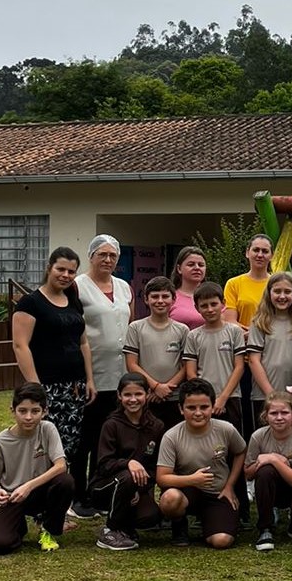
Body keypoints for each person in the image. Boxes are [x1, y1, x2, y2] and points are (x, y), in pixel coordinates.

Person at [11, 246, 94, 510]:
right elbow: (20, 346)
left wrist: (89, 379)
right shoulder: (30, 303)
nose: (66, 275)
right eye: (61, 269)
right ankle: (37, 503)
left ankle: (62, 503)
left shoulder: (73, 301)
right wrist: (36, 389)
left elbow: (83, 343)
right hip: (47, 388)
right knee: (43, 447)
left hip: (75, 389)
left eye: (71, 271)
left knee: (68, 447)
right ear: (49, 268)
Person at [74, 234, 134, 519]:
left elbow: (127, 324)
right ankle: (78, 494)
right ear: (91, 256)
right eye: (102, 255)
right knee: (84, 437)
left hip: (119, 374)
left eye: (113, 255)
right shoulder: (77, 287)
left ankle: (100, 490)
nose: (108, 260)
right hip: (91, 374)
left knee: (106, 438)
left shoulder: (123, 287)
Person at [0, 382, 75, 555]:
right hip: (13, 497)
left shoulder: (47, 429)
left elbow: (61, 466)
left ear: (44, 411)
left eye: (35, 411)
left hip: (40, 493)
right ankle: (16, 528)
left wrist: (28, 486)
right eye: (22, 411)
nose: (28, 417)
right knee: (0, 545)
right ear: (12, 410)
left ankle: (48, 530)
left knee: (65, 482)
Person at [156, 379, 247, 549]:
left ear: (213, 407)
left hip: (217, 493)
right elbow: (162, 478)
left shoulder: (226, 429)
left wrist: (230, 485)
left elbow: (241, 451)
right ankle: (179, 524)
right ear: (181, 409)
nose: (198, 413)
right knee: (169, 499)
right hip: (187, 492)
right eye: (191, 408)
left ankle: (211, 523)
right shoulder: (171, 436)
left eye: (204, 407)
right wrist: (192, 480)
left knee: (222, 541)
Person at [87, 373, 165, 551]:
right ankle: (110, 530)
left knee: (150, 516)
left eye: (138, 394)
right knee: (127, 477)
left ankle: (126, 528)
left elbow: (155, 468)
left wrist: (139, 489)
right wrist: (128, 463)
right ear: (119, 396)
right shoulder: (111, 425)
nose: (133, 400)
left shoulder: (156, 426)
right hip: (105, 486)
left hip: (136, 487)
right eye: (127, 395)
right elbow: (104, 464)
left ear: (147, 394)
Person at [248, 392, 292, 552]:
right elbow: (248, 473)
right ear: (266, 416)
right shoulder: (258, 437)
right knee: (264, 472)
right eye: (274, 413)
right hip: (271, 486)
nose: (279, 417)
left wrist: (274, 459)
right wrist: (269, 462)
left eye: (284, 412)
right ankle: (265, 528)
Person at [181, 283, 247, 434]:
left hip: (231, 397)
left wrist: (222, 398)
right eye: (204, 306)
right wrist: (205, 400)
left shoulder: (234, 332)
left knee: (233, 443)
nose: (210, 309)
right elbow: (191, 373)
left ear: (223, 304)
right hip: (203, 401)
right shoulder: (193, 336)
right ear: (197, 308)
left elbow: (239, 367)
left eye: (214, 304)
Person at [125, 276, 188, 430]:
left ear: (173, 299)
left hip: (174, 397)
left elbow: (187, 366)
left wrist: (166, 388)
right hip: (147, 397)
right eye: (155, 296)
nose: (160, 301)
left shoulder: (182, 330)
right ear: (146, 299)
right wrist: (155, 387)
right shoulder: (136, 328)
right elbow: (131, 364)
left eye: (165, 296)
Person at [247, 273, 292, 425]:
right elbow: (254, 360)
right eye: (277, 291)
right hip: (263, 395)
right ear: (269, 293)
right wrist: (271, 395)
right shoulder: (259, 323)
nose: (282, 296)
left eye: (287, 292)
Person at [222, 233, 273, 330]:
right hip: (242, 339)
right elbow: (230, 321)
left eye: (265, 251)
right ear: (247, 253)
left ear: (272, 256)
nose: (260, 255)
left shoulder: (276, 284)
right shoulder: (233, 284)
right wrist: (251, 334)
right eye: (256, 250)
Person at [169, 245, 208, 330]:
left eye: (201, 265)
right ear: (179, 269)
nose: (197, 268)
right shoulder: (169, 298)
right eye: (191, 265)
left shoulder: (215, 298)